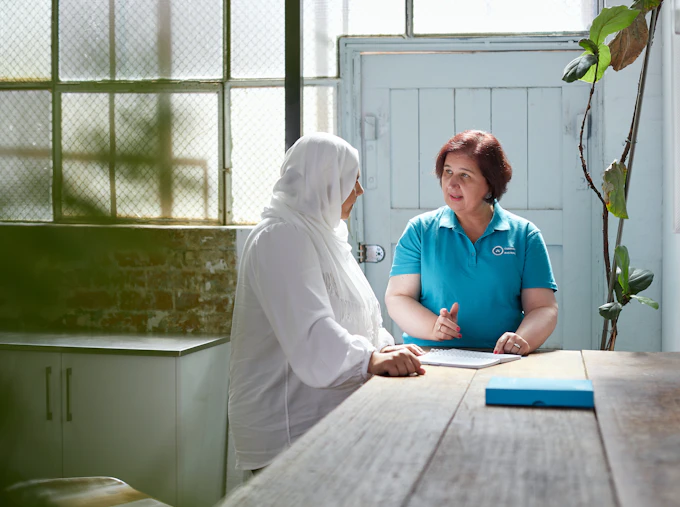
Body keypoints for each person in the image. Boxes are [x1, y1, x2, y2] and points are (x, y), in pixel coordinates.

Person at [228, 132, 425, 475]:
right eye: (353, 180)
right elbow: (311, 332)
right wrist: (370, 358)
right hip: (289, 428)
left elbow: (362, 317)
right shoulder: (280, 237)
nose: (360, 191)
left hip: (328, 421)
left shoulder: (325, 237)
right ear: (325, 181)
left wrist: (387, 349)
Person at [385, 130, 558, 356]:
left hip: (502, 359)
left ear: (490, 183)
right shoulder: (419, 230)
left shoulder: (525, 235)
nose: (452, 184)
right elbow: (398, 297)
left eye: (465, 175)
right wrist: (433, 327)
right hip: (429, 357)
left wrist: (521, 340)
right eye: (447, 172)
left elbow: (543, 307)